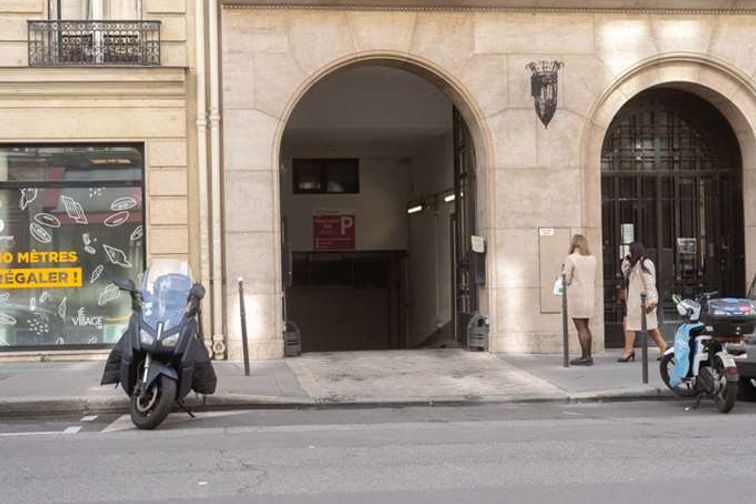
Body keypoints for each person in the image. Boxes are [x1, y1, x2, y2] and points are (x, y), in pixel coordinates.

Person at [618, 241, 668, 362]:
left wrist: (653, 301)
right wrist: (626, 260)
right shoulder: (634, 265)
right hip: (635, 302)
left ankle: (628, 351)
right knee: (644, 326)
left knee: (641, 326)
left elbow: (650, 284)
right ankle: (663, 347)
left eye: (630, 251)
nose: (629, 254)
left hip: (644, 302)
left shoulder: (645, 263)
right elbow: (625, 271)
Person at [563, 234, 597, 366]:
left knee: (581, 328)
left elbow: (566, 279)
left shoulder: (571, 258)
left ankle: (586, 356)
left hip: (577, 297)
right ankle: (588, 355)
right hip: (589, 297)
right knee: (586, 327)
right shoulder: (592, 258)